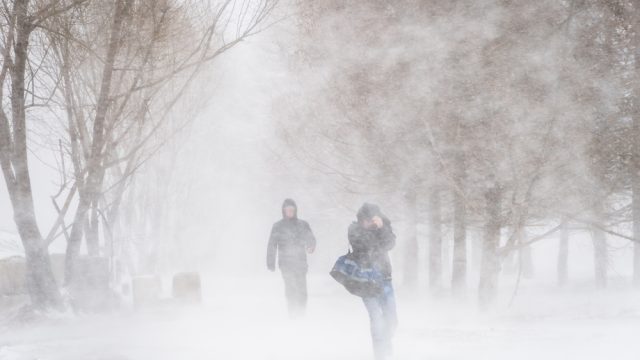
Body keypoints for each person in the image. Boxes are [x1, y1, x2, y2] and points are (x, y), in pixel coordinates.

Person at [349, 203, 397, 360]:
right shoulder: (354, 229)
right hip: (366, 280)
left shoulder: (383, 226)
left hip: (384, 278)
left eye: (373, 219)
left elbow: (390, 244)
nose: (370, 222)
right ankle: (380, 355)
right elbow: (364, 245)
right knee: (376, 318)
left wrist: (382, 227)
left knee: (391, 319)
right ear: (361, 219)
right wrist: (372, 229)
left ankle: (387, 348)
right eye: (367, 219)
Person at [267, 198, 316, 317]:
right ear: (283, 211)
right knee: (291, 289)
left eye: (292, 210)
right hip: (285, 263)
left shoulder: (303, 225)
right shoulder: (278, 226)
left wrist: (311, 246)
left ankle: (301, 313)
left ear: (295, 211)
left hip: (300, 263)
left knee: (302, 290)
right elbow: (272, 245)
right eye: (287, 210)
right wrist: (270, 262)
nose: (290, 212)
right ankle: (293, 314)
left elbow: (311, 238)